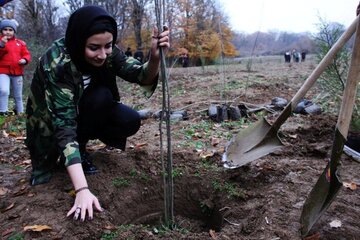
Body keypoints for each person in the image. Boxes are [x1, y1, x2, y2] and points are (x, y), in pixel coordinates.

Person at [25, 5, 170, 221]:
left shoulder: (106, 51)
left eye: (108, 46)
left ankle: (80, 149)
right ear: (78, 41)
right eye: (94, 48)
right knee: (45, 173)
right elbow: (63, 126)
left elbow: (141, 75)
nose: (102, 55)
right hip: (47, 123)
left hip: (82, 112)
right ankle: (53, 159)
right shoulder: (58, 63)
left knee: (122, 113)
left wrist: (155, 57)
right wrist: (82, 190)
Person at [0, 19, 31, 116]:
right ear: (1, 31)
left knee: (18, 95)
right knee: (4, 90)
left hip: (17, 72)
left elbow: (27, 54)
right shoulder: (0, 42)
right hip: (3, 71)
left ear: (14, 32)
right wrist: (2, 45)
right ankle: (3, 112)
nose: (8, 32)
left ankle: (20, 113)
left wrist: (25, 60)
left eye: (10, 30)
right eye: (5, 29)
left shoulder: (20, 43)